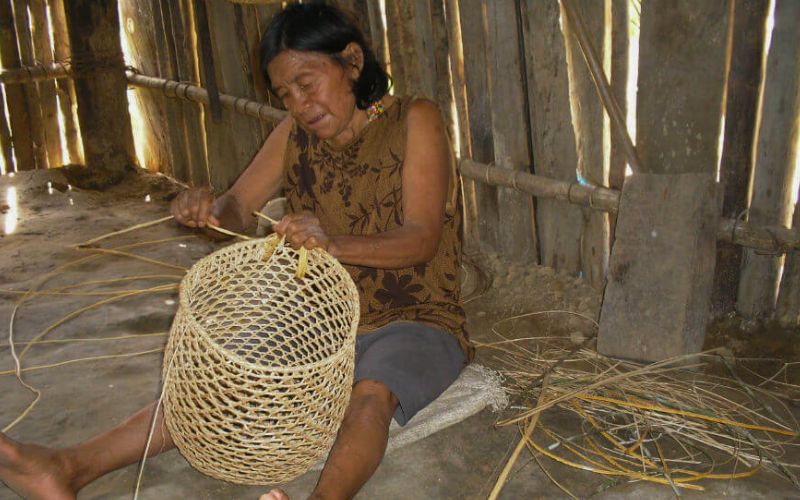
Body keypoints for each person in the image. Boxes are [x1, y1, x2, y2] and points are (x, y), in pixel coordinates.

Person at [0, 3, 473, 499]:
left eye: (307, 83)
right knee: (216, 380)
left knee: (371, 396)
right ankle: (66, 466)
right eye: (285, 94)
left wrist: (334, 244)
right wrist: (207, 211)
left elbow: (421, 239)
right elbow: (238, 209)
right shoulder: (294, 135)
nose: (299, 104)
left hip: (416, 316)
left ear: (352, 62)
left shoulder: (413, 119)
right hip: (319, 316)